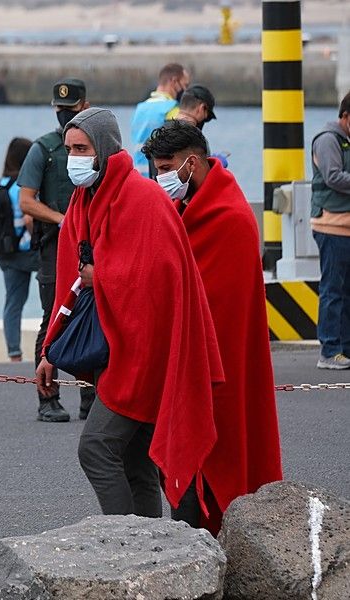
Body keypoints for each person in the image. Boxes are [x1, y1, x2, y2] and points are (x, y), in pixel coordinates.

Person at [36, 108, 223, 518]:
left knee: (97, 449)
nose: (74, 158)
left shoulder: (144, 199)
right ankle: (150, 554)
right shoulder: (86, 200)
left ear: (104, 148)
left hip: (143, 355)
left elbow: (157, 279)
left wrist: (98, 276)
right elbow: (72, 282)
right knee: (136, 462)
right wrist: (50, 349)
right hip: (114, 351)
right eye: (69, 149)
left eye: (82, 148)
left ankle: (122, 545)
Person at [142, 120, 282, 534]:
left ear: (193, 162)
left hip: (215, 371)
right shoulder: (189, 207)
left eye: (166, 167)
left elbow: (216, 310)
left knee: (210, 464)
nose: (159, 178)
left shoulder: (228, 218)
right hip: (188, 365)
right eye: (155, 168)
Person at [18, 77, 96, 422]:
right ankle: (47, 398)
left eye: (71, 108)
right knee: (52, 318)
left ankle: (90, 396)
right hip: (54, 246)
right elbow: (26, 201)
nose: (65, 115)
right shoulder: (44, 149)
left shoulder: (97, 148)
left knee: (92, 316)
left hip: (91, 247)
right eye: (60, 110)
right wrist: (62, 219)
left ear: (85, 106)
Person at [310, 91, 350, 370]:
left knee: (345, 291)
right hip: (331, 226)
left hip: (345, 226)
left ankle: (344, 348)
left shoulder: (345, 140)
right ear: (346, 116)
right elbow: (333, 177)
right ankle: (329, 350)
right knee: (333, 290)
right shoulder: (328, 139)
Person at [0, 137, 40, 361]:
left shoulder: (1, 184)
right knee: (51, 294)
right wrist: (38, 241)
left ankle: (14, 353)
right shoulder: (23, 186)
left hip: (6, 253)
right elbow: (29, 219)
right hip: (28, 251)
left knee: (13, 302)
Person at [130, 63, 190, 177]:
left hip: (138, 176)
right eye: (185, 85)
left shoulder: (140, 108)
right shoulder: (172, 109)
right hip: (159, 177)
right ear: (174, 81)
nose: (185, 90)